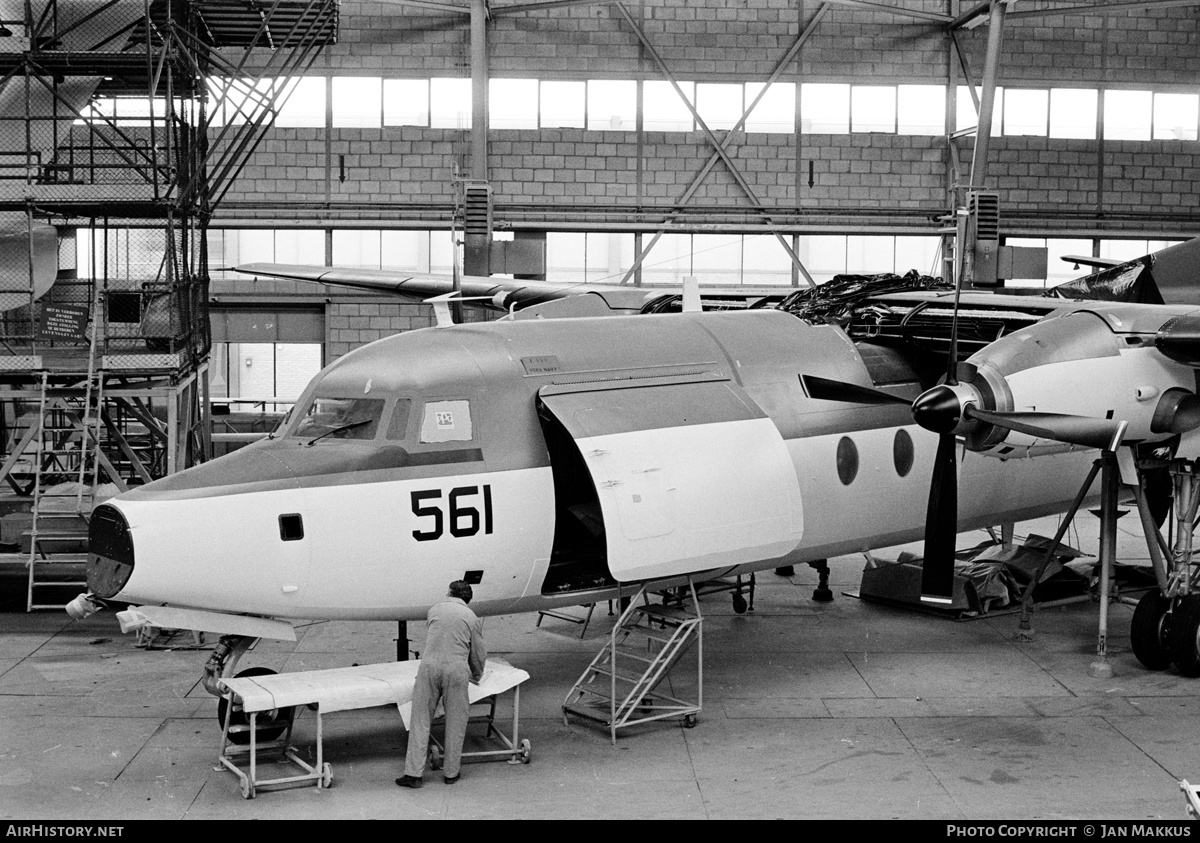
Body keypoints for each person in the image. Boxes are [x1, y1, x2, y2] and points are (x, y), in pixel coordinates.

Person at [396, 580, 487, 788]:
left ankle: (413, 774)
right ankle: (451, 773)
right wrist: (477, 674)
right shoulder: (472, 618)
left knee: (420, 719)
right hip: (456, 670)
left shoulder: (434, 610)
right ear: (467, 599)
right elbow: (478, 653)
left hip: (429, 668)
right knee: (456, 722)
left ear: (449, 592)